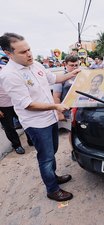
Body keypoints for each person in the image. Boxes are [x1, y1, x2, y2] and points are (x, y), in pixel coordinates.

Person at [0, 33, 81, 202]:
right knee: (45, 157)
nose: (29, 54)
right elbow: (27, 104)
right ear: (9, 54)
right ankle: (52, 189)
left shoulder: (35, 64)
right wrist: (56, 106)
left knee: (53, 151)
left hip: (50, 117)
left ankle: (53, 176)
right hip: (36, 123)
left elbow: (53, 78)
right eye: (23, 52)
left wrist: (73, 74)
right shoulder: (9, 75)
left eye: (29, 49)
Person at [0, 85, 33, 154]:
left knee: (26, 121)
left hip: (18, 102)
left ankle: (31, 140)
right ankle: (17, 145)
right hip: (3, 107)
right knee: (9, 128)